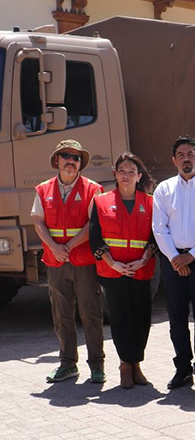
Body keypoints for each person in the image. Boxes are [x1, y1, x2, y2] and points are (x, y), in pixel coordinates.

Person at [32, 140, 106, 383]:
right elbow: (39, 222)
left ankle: (97, 365)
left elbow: (92, 225)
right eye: (66, 156)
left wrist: (68, 246)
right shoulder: (43, 189)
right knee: (61, 315)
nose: (71, 161)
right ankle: (67, 364)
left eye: (76, 158)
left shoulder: (92, 189)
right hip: (55, 262)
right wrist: (54, 248)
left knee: (91, 314)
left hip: (83, 261)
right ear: (57, 160)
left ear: (80, 163)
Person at [152, 136, 195, 390]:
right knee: (177, 318)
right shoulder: (164, 189)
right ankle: (182, 369)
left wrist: (191, 256)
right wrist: (175, 259)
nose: (186, 158)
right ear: (174, 160)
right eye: (181, 154)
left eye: (191, 154)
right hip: (172, 261)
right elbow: (159, 229)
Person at [89, 153, 158, 389]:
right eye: (122, 171)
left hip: (141, 270)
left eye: (131, 172)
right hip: (113, 271)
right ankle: (125, 366)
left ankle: (137, 363)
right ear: (114, 173)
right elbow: (95, 236)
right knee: (120, 319)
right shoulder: (101, 201)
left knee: (141, 318)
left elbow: (154, 237)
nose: (126, 175)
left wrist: (143, 260)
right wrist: (112, 263)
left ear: (139, 176)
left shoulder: (150, 202)